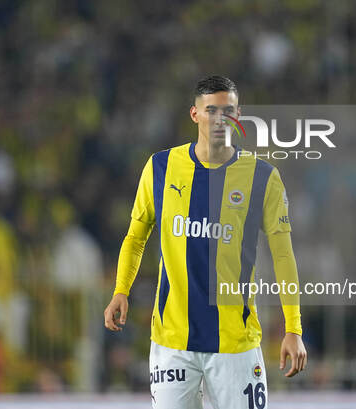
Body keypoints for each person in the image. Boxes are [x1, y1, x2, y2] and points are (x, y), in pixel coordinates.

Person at [104, 75, 306, 409]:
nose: (219, 119)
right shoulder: (160, 167)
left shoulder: (262, 177)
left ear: (238, 116)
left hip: (235, 344)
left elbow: (283, 254)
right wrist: (121, 290)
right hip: (173, 341)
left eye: (227, 111)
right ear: (194, 114)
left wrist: (293, 327)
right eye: (211, 110)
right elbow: (136, 236)